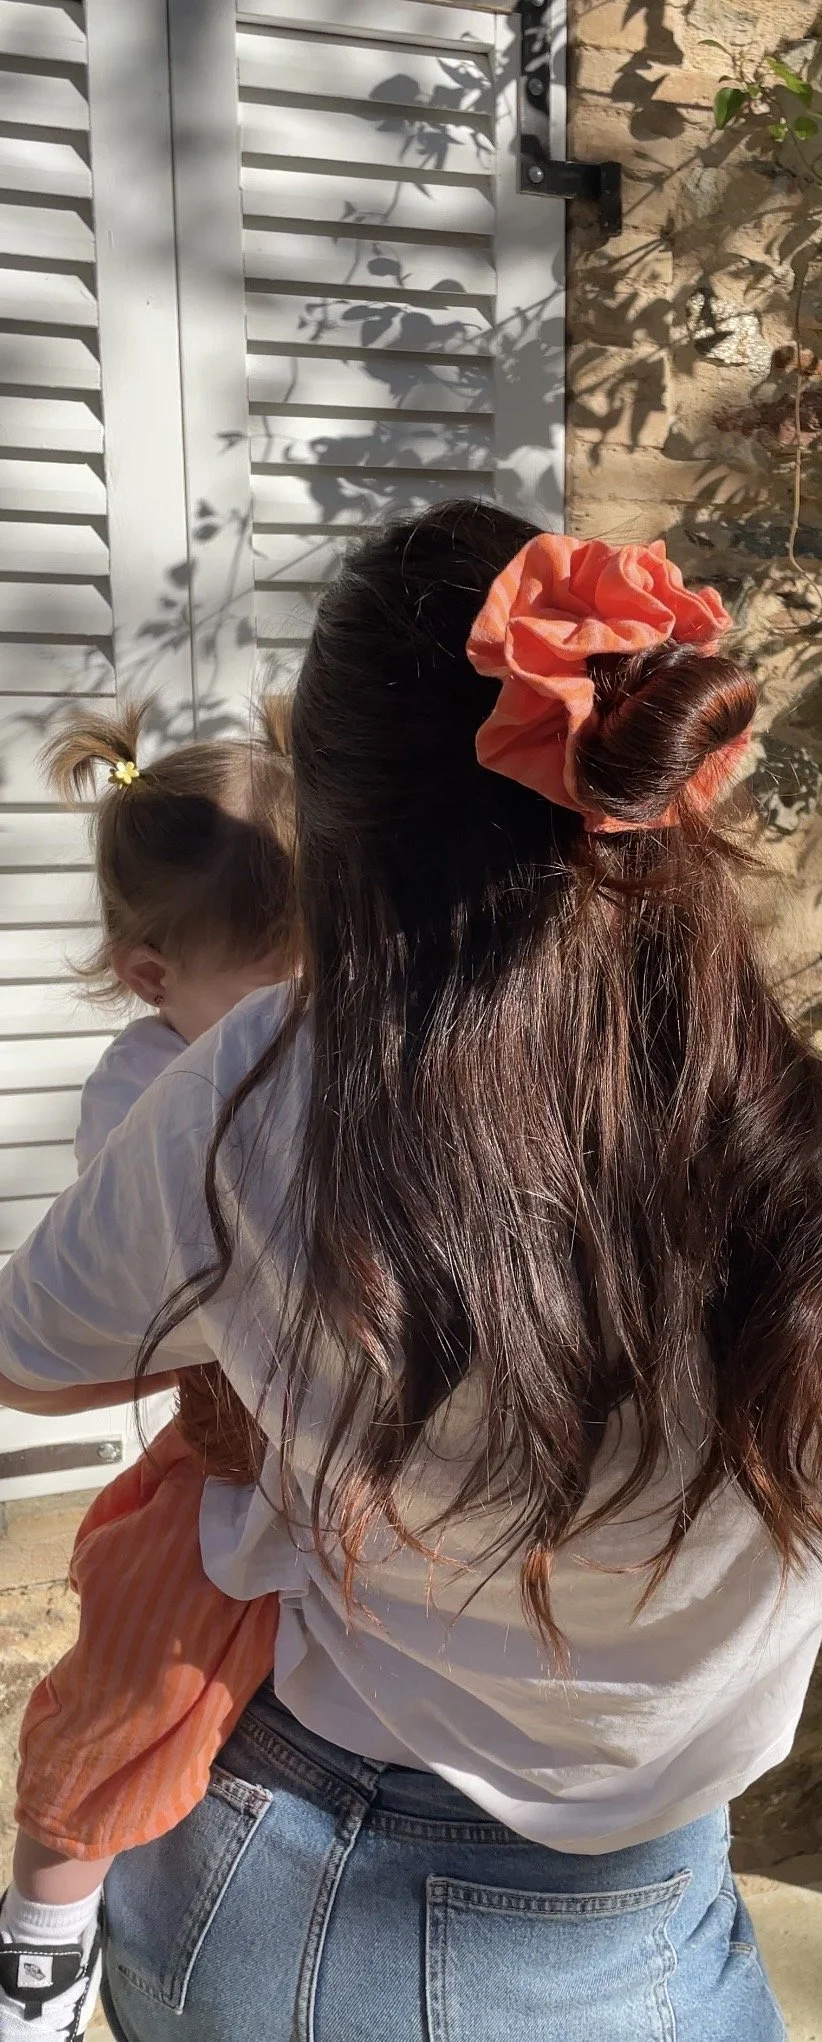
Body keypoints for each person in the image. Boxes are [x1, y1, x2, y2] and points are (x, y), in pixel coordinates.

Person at [0, 504, 822, 2042]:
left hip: (264, 1880)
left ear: (337, 860)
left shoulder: (249, 1098)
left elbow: (33, 1352)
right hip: (612, 1919)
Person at [0, 700, 295, 2039]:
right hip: (224, 1459)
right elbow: (183, 1280)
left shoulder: (289, 1043)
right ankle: (44, 1932)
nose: (311, 1022)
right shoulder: (144, 1094)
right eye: (277, 993)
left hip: (326, 1465)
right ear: (150, 979)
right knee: (123, 1695)